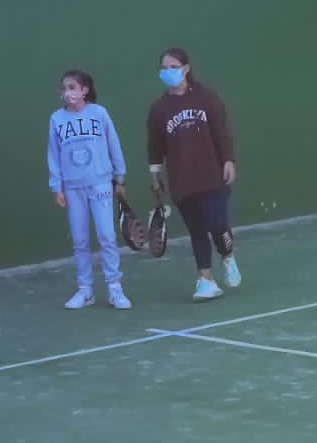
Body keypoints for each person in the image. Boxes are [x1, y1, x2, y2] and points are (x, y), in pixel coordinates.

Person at [146, 47, 240, 301]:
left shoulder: (206, 97)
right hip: (181, 180)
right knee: (197, 230)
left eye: (173, 67)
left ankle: (227, 255)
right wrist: (155, 174)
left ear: (186, 69)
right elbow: (155, 146)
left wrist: (228, 160)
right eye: (164, 68)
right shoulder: (159, 108)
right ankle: (206, 281)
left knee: (217, 224)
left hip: (211, 175)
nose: (168, 72)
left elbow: (222, 130)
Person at [47, 69, 131, 310]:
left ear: (84, 90)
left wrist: (119, 177)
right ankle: (85, 290)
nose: (67, 93)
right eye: (64, 88)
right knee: (80, 240)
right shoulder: (56, 119)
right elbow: (53, 154)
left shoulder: (99, 113)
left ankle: (115, 288)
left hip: (101, 183)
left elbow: (113, 144)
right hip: (73, 188)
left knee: (107, 236)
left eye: (72, 87)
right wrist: (57, 186)